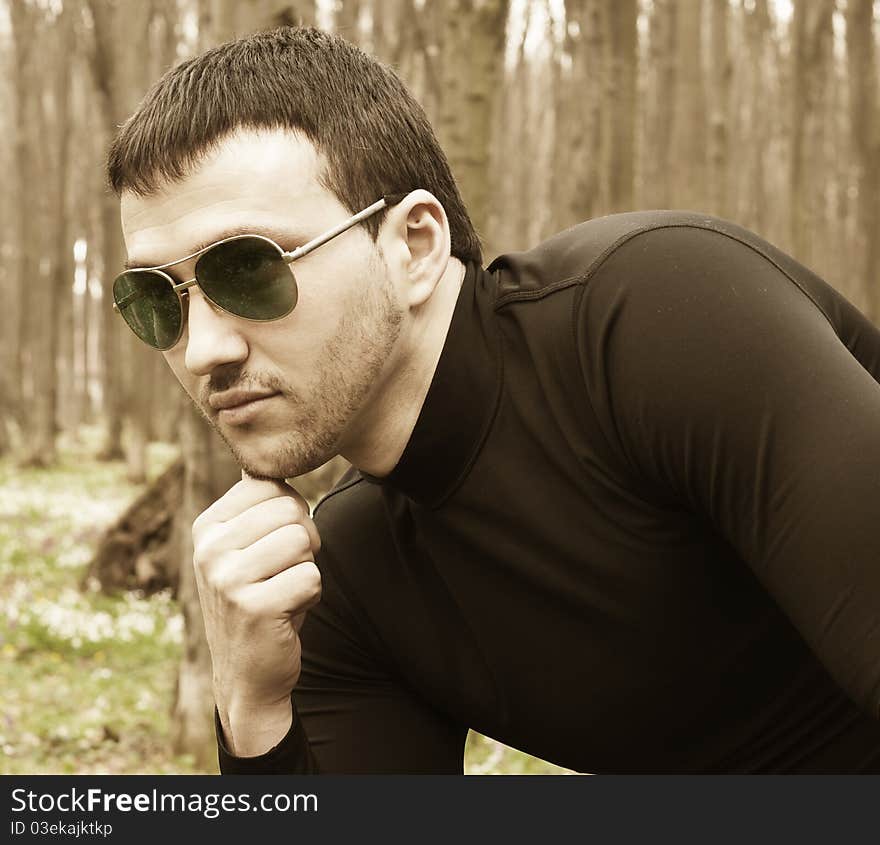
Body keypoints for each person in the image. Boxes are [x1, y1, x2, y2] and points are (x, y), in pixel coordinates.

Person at [107, 26, 880, 774]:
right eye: (156, 300)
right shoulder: (342, 580)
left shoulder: (660, 318)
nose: (203, 350)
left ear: (413, 245)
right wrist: (252, 716)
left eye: (248, 269)